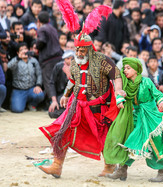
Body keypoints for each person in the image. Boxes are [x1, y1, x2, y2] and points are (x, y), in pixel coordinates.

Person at [38, 32, 123, 178]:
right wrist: (65, 94)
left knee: (103, 136)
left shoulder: (103, 60)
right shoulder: (75, 62)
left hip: (98, 108)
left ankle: (110, 166)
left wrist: (119, 90)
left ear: (89, 49)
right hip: (77, 106)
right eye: (77, 49)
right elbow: (73, 80)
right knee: (62, 131)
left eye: (82, 50)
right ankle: (57, 165)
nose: (78, 52)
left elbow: (116, 75)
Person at [104, 57, 163, 182]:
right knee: (131, 141)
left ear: (136, 70)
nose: (125, 70)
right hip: (135, 117)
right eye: (124, 68)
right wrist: (120, 100)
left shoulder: (146, 82)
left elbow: (157, 94)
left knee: (157, 142)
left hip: (150, 116)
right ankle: (122, 170)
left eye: (128, 68)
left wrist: (161, 101)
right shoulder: (126, 84)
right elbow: (120, 94)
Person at [7, 43, 44, 113]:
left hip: (31, 89)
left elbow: (39, 74)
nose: (24, 51)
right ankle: (19, 102)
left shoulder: (33, 60)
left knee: (40, 95)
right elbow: (9, 66)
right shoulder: (15, 61)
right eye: (21, 50)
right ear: (18, 52)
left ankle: (32, 104)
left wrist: (38, 85)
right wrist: (18, 58)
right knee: (17, 109)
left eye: (25, 49)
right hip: (19, 90)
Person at [36, 11, 63, 101]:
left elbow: (42, 40)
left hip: (48, 59)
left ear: (38, 20)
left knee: (48, 82)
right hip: (58, 57)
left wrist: (37, 47)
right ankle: (58, 101)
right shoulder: (53, 28)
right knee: (56, 81)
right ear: (48, 20)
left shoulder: (42, 29)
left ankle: (53, 102)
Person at [48, 50, 74, 118]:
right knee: (52, 112)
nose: (70, 61)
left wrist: (69, 74)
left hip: (74, 96)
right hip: (61, 96)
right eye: (68, 59)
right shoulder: (58, 66)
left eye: (72, 58)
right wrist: (54, 101)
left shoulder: (78, 67)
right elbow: (52, 83)